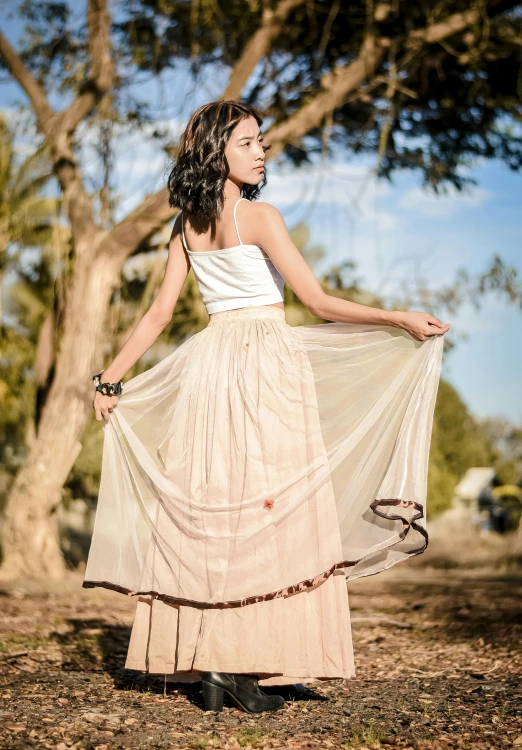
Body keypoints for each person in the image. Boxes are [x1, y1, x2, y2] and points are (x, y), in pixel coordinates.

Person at [83, 100, 449, 714]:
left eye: (262, 142)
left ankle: (226, 668)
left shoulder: (186, 227)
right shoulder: (261, 217)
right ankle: (251, 665)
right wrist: (398, 318)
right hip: (266, 365)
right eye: (248, 142)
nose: (261, 152)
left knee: (224, 512)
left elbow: (159, 315)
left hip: (211, 366)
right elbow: (320, 302)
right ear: (216, 152)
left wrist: (110, 380)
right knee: (273, 513)